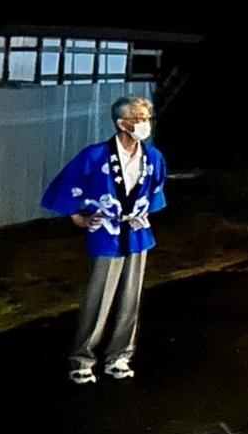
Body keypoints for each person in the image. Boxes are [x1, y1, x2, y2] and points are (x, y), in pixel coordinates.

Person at [43, 95, 167, 385]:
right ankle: (82, 358)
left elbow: (157, 190)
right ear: (122, 123)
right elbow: (69, 185)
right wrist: (79, 217)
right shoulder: (95, 156)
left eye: (147, 118)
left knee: (130, 299)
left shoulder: (153, 157)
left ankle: (120, 356)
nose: (144, 124)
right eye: (138, 119)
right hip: (106, 232)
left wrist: (142, 211)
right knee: (98, 297)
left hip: (137, 232)